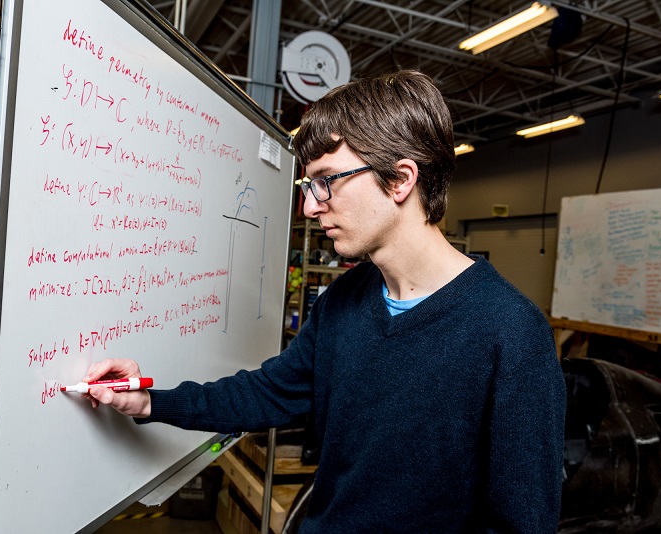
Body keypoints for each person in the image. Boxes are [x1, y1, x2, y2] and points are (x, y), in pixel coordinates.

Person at [82, 70, 566, 533]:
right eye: (308, 185)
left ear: (400, 180)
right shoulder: (344, 300)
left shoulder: (510, 331)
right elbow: (268, 392)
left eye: (326, 180)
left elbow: (521, 522)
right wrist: (149, 400)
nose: (310, 207)